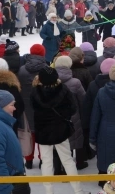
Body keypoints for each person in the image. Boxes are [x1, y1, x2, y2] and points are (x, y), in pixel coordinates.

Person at [31, 66, 84, 194]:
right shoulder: (63, 90)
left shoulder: (35, 92)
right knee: (68, 161)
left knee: (46, 162)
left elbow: (33, 109)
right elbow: (73, 108)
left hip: (43, 130)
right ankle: (78, 191)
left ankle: (49, 192)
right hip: (61, 130)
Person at [55, 55, 88, 170]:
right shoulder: (75, 82)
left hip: (57, 116)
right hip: (73, 115)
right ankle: (80, 162)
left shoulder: (51, 82)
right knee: (77, 137)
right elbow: (83, 99)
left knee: (60, 141)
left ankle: (60, 166)